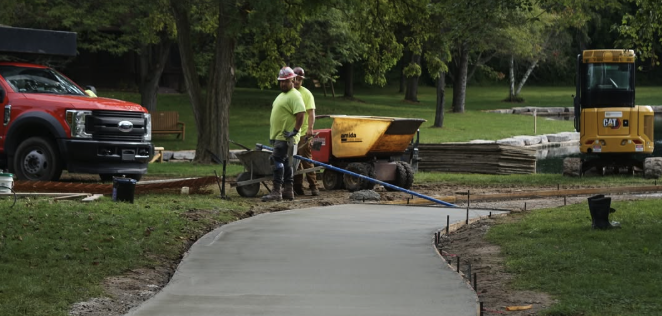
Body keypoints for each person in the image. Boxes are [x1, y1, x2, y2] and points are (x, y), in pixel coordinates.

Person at [262, 66, 306, 202]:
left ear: (292, 80)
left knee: (277, 161)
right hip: (279, 136)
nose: (283, 83)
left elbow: (301, 113)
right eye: (281, 81)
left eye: (285, 81)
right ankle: (288, 190)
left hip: (285, 137)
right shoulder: (283, 95)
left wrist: (295, 130)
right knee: (286, 163)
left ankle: (276, 191)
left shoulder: (294, 95)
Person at [292, 67, 320, 196]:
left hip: (303, 133)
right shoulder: (289, 93)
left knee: (306, 160)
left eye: (299, 79)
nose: (297, 81)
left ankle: (314, 186)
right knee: (294, 162)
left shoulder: (306, 94)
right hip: (291, 134)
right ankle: (297, 187)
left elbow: (311, 112)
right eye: (295, 79)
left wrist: (310, 128)